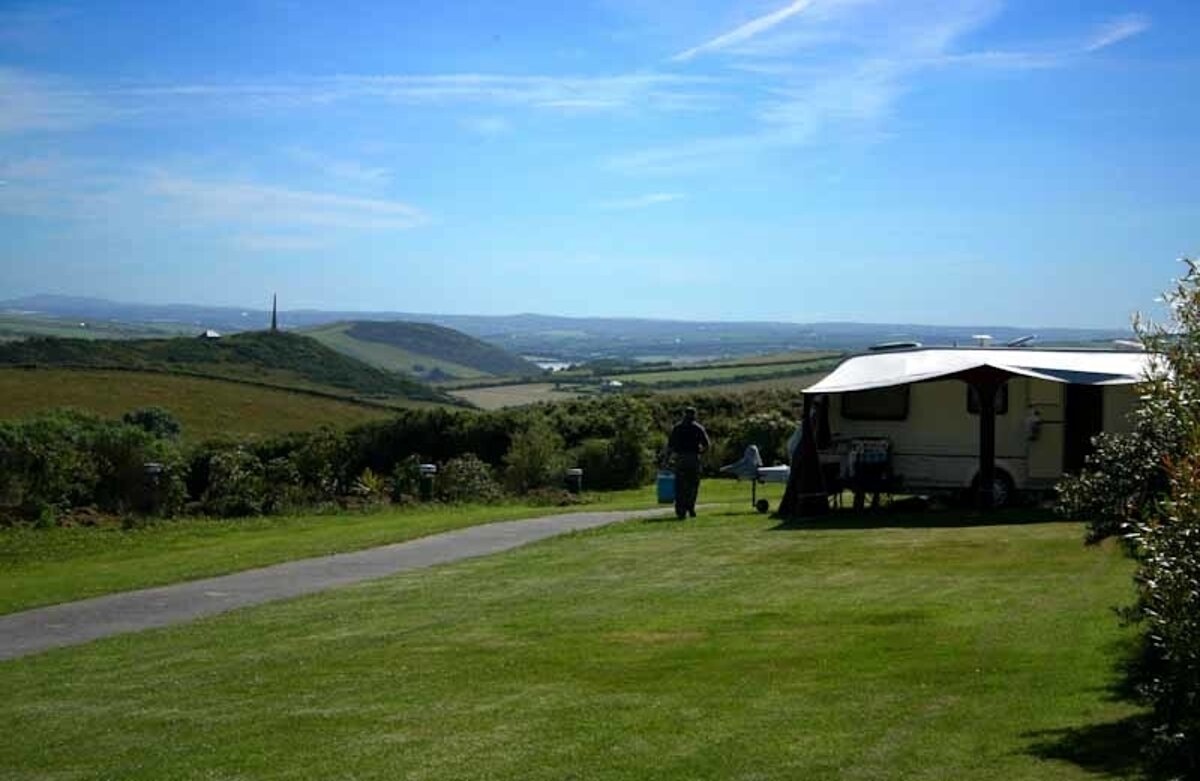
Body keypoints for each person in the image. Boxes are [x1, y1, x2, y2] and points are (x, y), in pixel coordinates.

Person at [666, 407, 710, 519]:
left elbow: (670, 446)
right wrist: (700, 452)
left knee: (680, 486)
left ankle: (680, 510)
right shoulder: (698, 428)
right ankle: (690, 507)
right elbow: (707, 445)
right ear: (694, 415)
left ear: (684, 415)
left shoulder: (677, 428)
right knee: (693, 485)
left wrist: (667, 460)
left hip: (680, 459)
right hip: (693, 458)